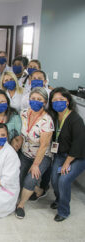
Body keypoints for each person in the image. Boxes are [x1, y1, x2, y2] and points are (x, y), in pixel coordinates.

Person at [15, 87, 54, 219]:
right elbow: (21, 134)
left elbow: (44, 146)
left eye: (39, 99)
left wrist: (36, 164)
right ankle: (39, 190)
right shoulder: (23, 113)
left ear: (44, 102)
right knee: (17, 177)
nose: (35, 101)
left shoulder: (47, 121)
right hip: (25, 153)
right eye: (33, 99)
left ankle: (20, 205)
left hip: (42, 156)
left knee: (30, 180)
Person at [48, 87, 85, 222]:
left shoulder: (75, 119)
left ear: (68, 101)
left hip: (76, 157)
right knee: (54, 179)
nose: (58, 102)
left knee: (63, 180)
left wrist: (67, 163)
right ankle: (59, 199)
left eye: (61, 99)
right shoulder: (54, 117)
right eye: (55, 100)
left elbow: (78, 143)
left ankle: (64, 211)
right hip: (60, 154)